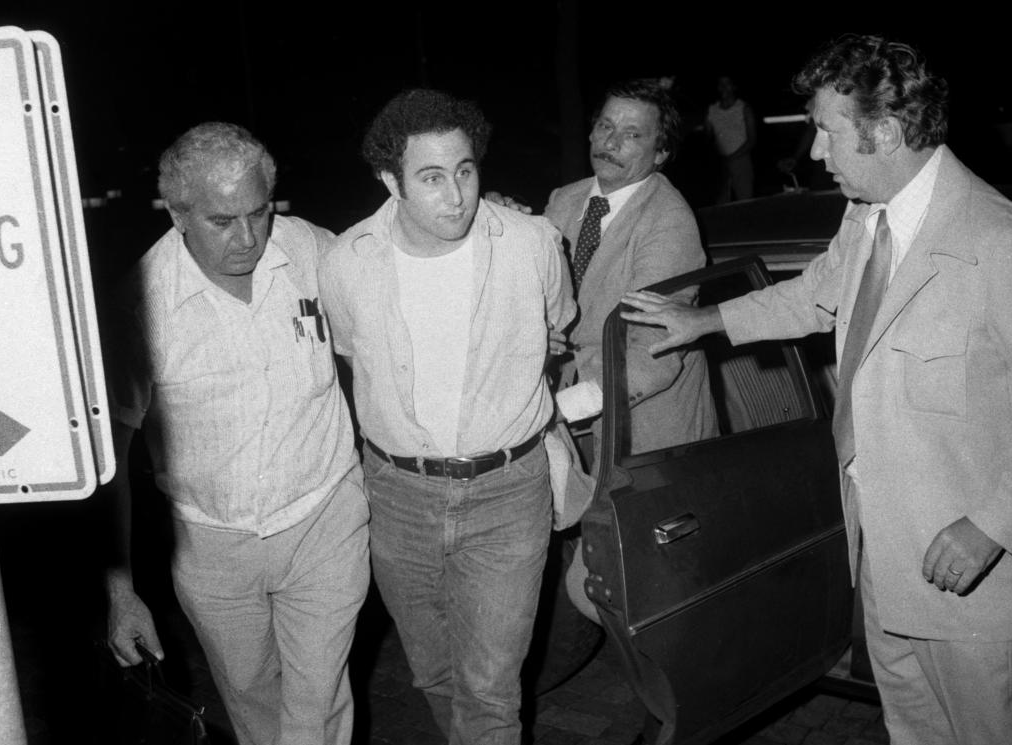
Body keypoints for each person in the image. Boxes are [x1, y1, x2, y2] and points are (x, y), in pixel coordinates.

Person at [620, 35, 1012, 745]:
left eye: (827, 130)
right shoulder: (867, 217)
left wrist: (995, 526)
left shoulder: (1000, 245)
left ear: (884, 132)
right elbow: (816, 295)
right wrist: (703, 320)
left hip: (976, 582)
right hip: (887, 559)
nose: (816, 151)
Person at [319, 89, 575, 745]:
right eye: (431, 178)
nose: (455, 194)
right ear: (390, 181)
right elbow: (349, 351)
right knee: (434, 673)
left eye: (465, 170)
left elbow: (556, 333)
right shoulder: (347, 262)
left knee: (490, 688)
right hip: (399, 496)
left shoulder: (532, 242)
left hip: (507, 491)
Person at [102, 122, 369, 745]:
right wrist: (121, 592)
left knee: (315, 707)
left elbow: (398, 267)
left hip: (322, 517)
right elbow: (110, 457)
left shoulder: (310, 250)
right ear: (178, 214)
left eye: (259, 213)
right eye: (224, 221)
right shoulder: (139, 306)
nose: (248, 238)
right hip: (209, 545)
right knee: (252, 705)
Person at [546, 78, 717, 457]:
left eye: (633, 134)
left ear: (660, 153)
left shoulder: (669, 221)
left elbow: (653, 352)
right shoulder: (564, 200)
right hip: (565, 427)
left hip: (646, 435)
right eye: (606, 126)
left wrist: (556, 411)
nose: (611, 142)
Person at [705, 74, 757, 203]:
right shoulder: (711, 110)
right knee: (720, 204)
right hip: (720, 164)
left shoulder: (744, 108)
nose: (723, 87)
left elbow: (752, 140)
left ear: (734, 86)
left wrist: (732, 158)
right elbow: (707, 139)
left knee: (745, 202)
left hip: (741, 161)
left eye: (727, 83)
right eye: (720, 84)